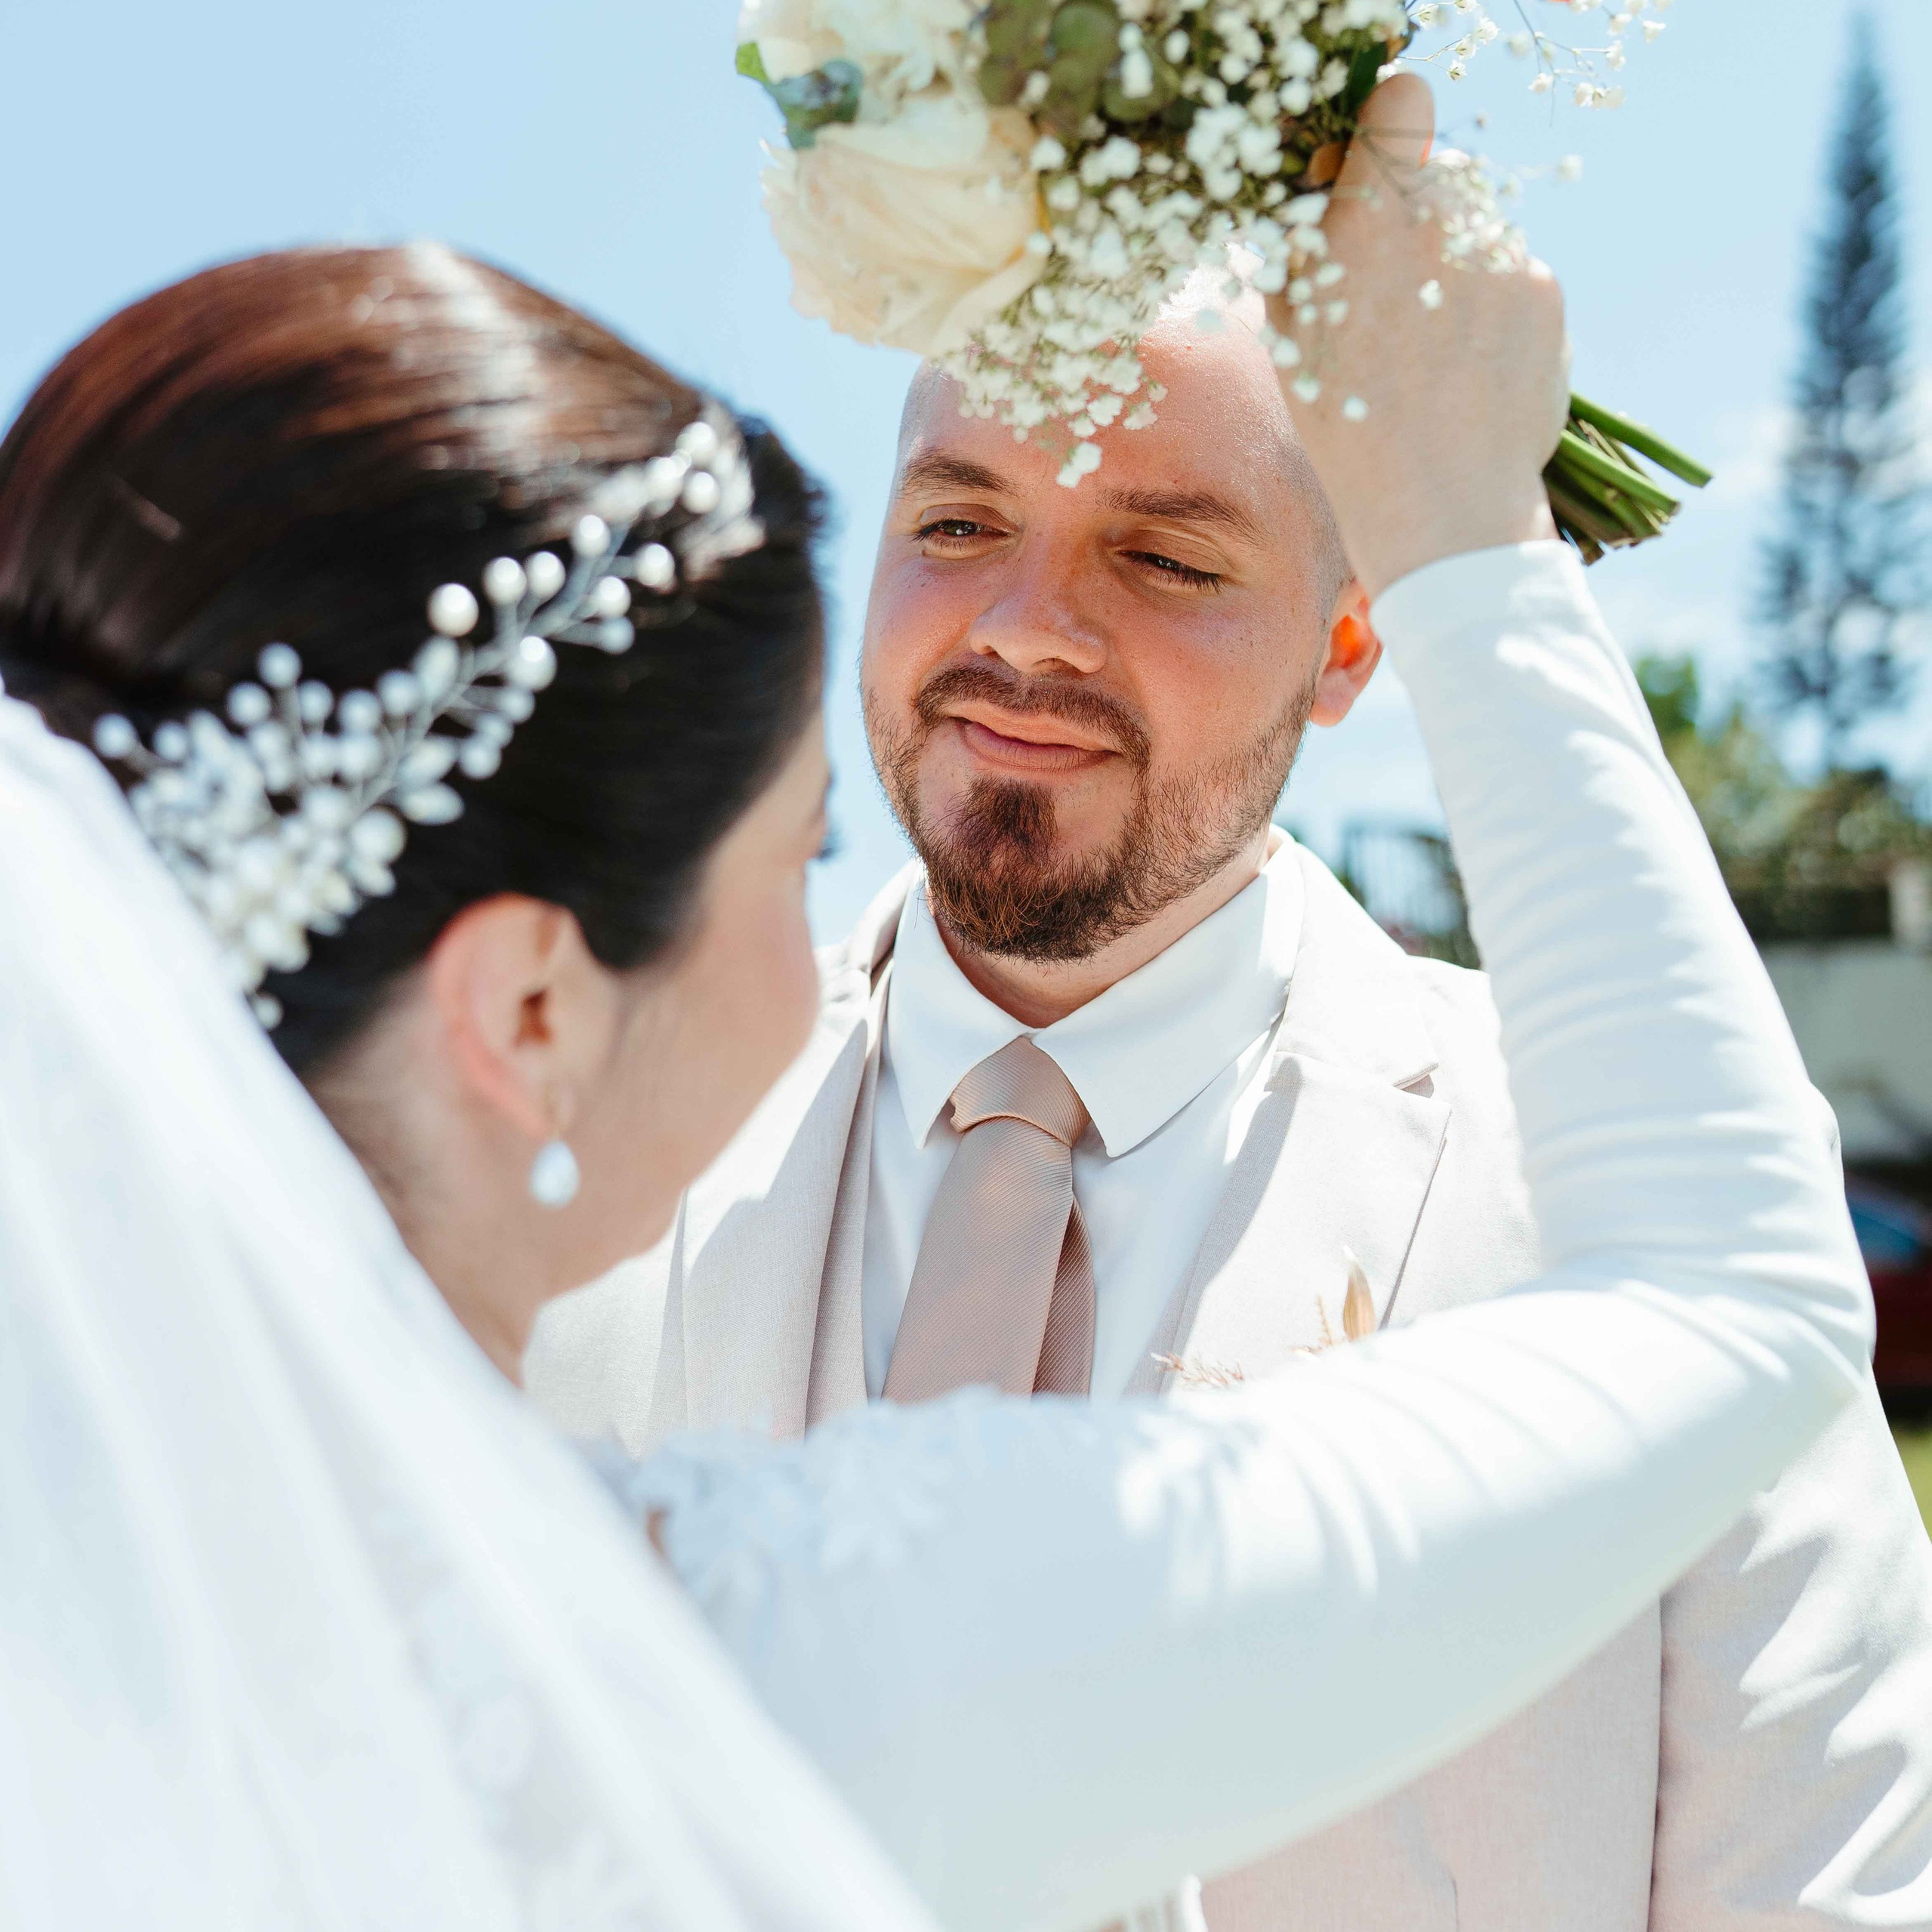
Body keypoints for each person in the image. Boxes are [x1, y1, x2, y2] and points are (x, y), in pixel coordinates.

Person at [0, 80, 1889, 1932]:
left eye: (1165, 554)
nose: (1023, 635)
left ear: (1344, 638)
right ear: (518, 998)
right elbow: (1731, 1286)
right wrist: (1487, 534)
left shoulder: (1537, 1138)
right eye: (959, 521)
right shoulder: (577, 1245)